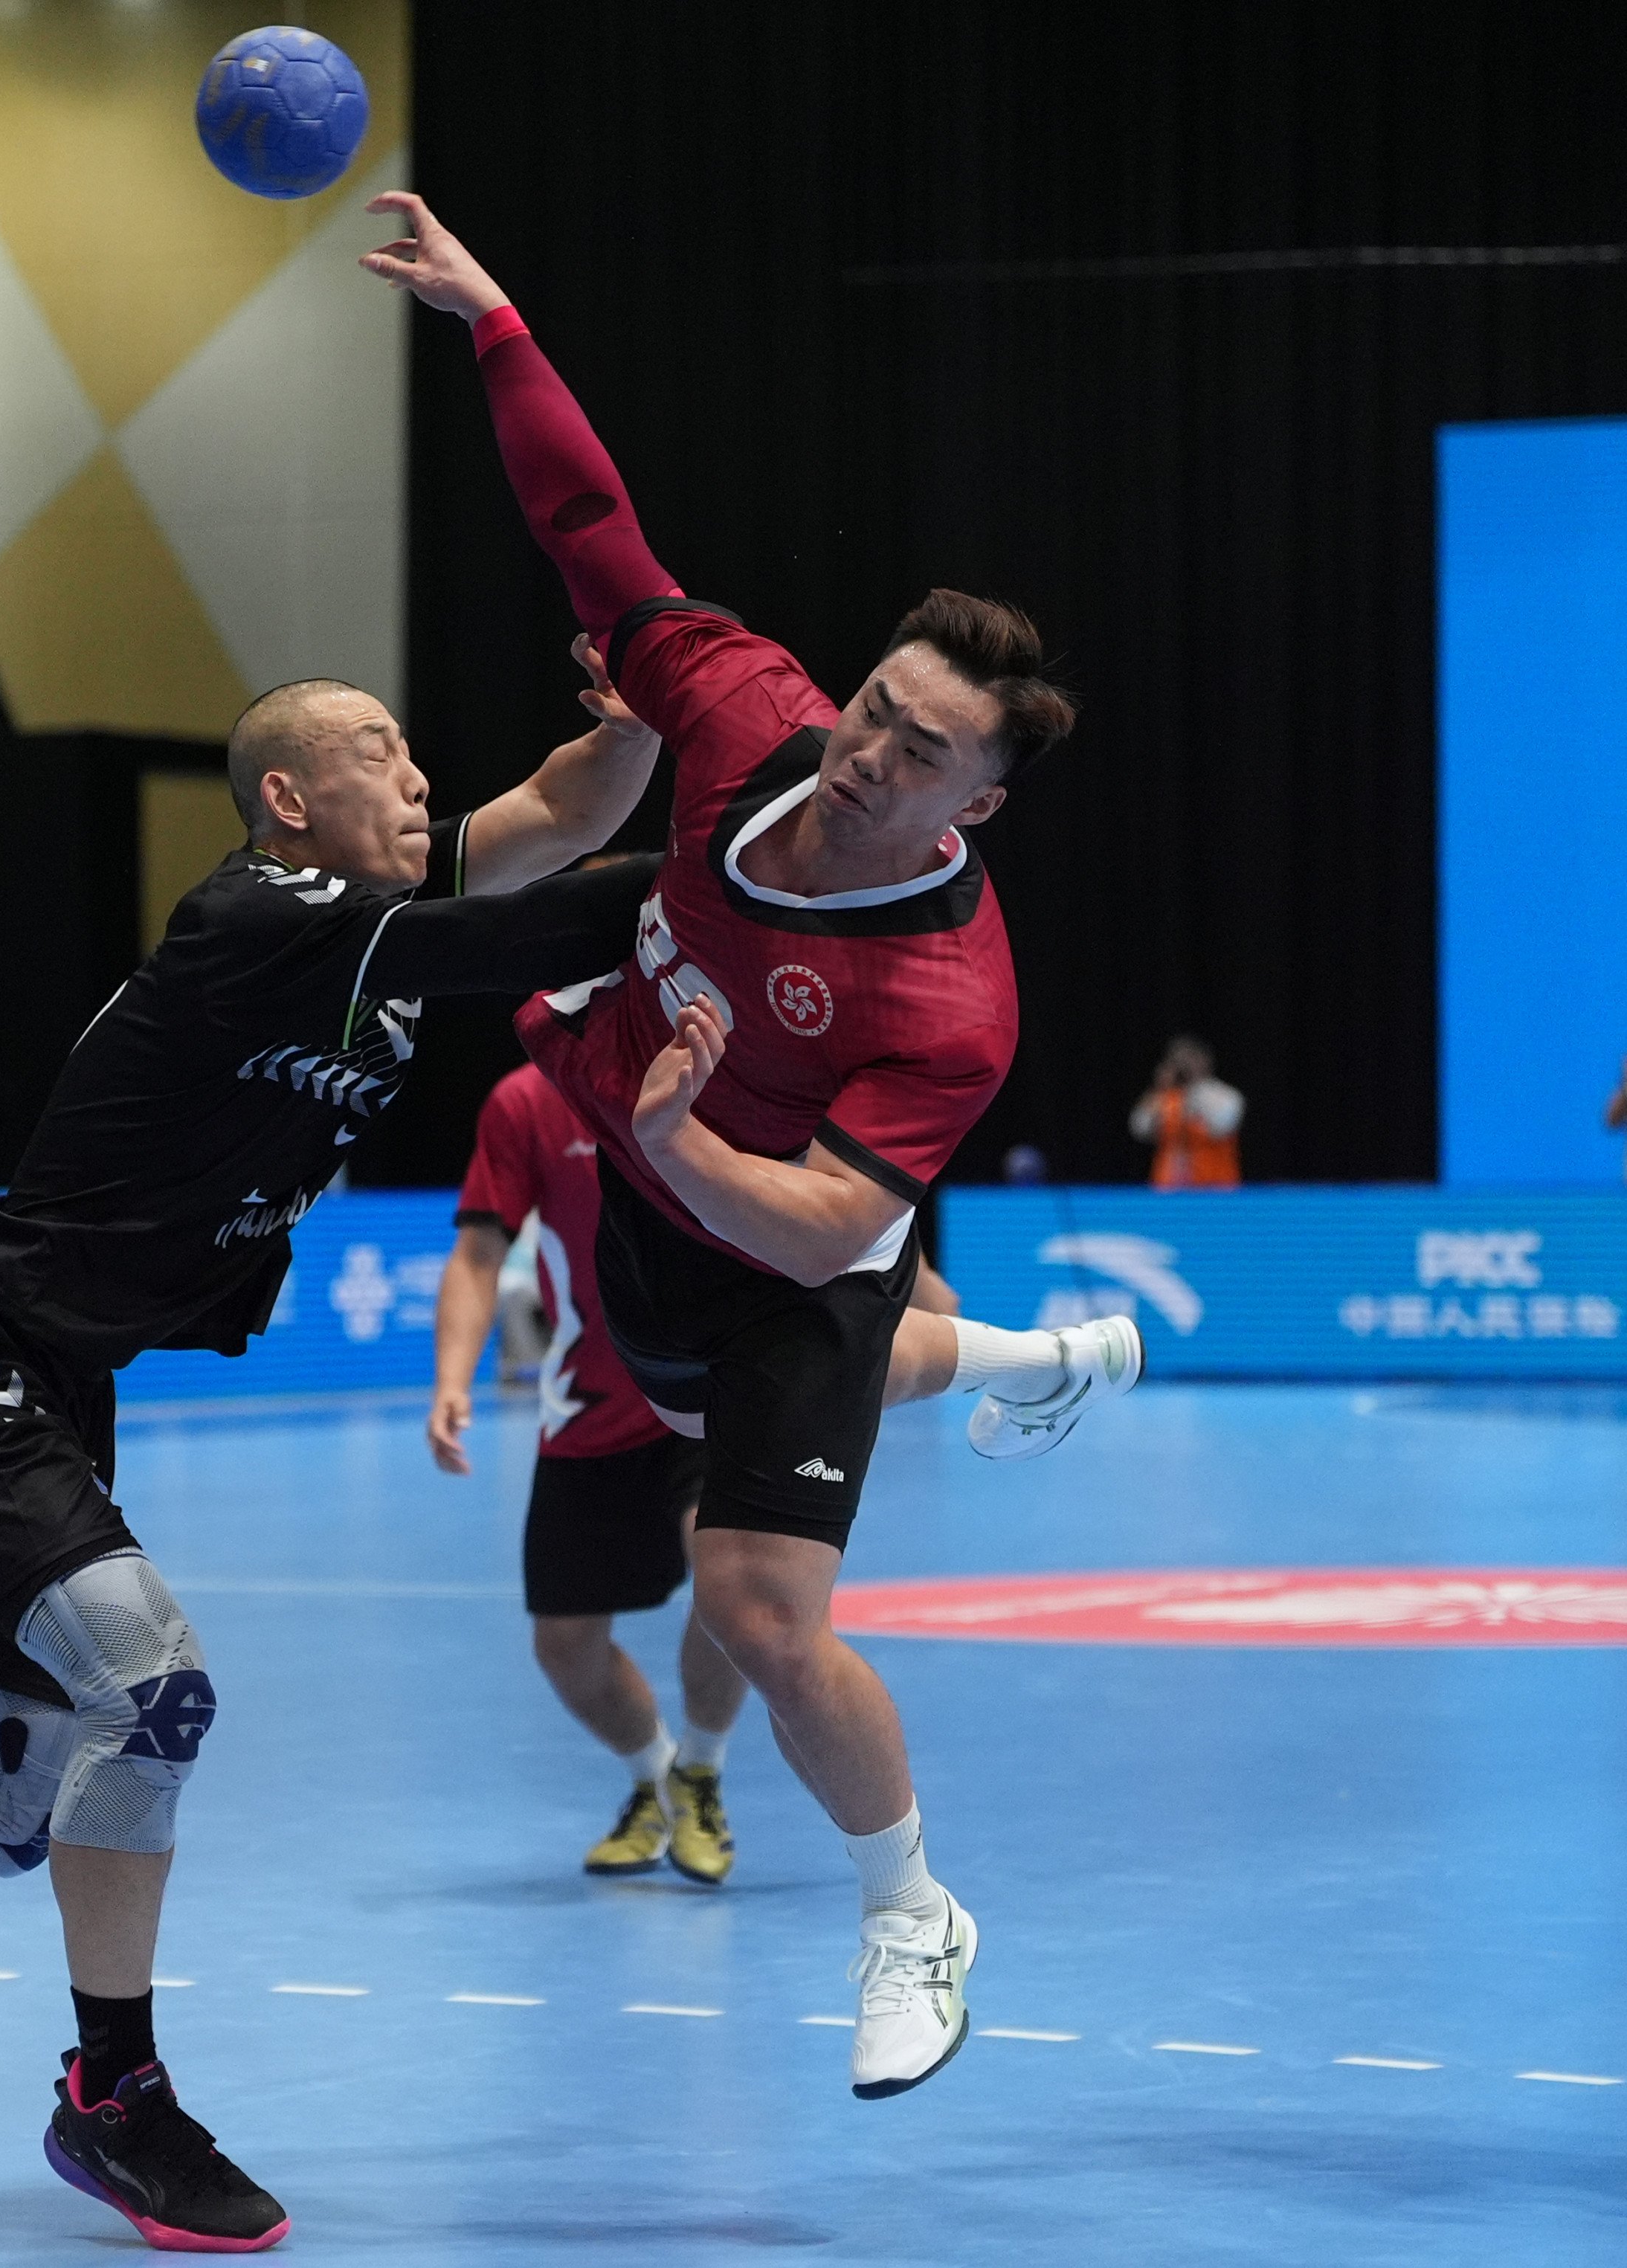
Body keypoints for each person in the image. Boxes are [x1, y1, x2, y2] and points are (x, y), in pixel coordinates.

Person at [0, 663, 689, 2249]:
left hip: (45, 1375)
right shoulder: (263, 916)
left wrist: (653, 710)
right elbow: (534, 924)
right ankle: (115, 2096)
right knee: (153, 1694)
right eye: (380, 750)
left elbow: (557, 819)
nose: (417, 779)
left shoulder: (356, 922)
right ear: (287, 800)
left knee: (10, 1790)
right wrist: (761, 874)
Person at [364, 188, 1139, 2099]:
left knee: (762, 1611)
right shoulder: (745, 711)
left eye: (923, 750)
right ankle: (1044, 1358)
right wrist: (492, 321)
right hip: (650, 1215)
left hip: (778, 1240)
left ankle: (909, 1913)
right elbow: (591, 533)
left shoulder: (951, 996)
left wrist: (679, 1134)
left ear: (984, 795)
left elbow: (820, 1237)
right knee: (479, 921)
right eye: (879, 708)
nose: (873, 754)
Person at [432, 1046, 985, 1887]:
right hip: (591, 1411)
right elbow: (478, 1255)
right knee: (565, 1648)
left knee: (737, 1591)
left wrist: (928, 1294)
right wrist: (450, 1379)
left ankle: (702, 1767)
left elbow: (834, 1198)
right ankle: (656, 1772)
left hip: (716, 1385)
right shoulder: (526, 1103)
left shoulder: (726, 1068)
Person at [1130, 1036, 1244, 1189]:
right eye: (1179, 1061)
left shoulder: (1224, 1096)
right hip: (1169, 1189)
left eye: (1190, 1059)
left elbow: (1221, 1127)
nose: (1185, 1066)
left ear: (1205, 1060)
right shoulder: (1165, 1098)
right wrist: (1159, 1089)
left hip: (1215, 1189)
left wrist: (1194, 1091)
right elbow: (1140, 1128)